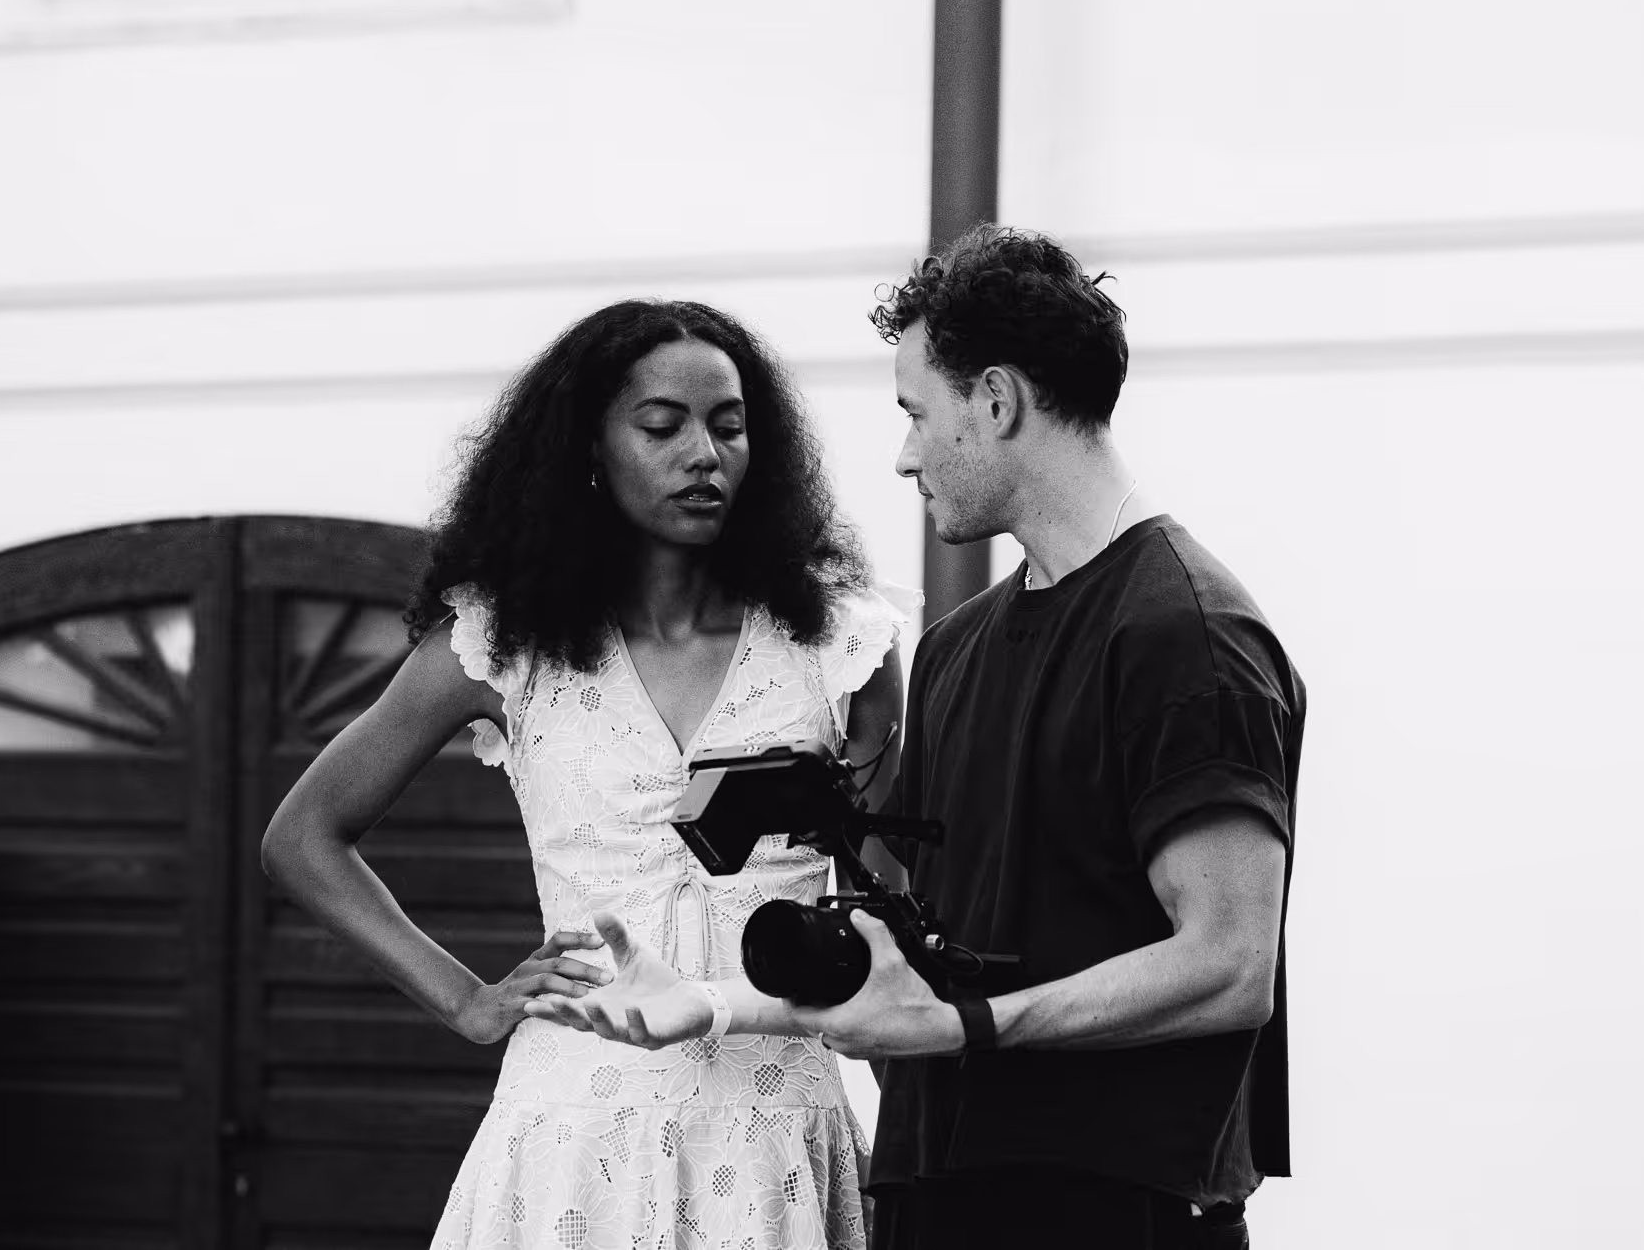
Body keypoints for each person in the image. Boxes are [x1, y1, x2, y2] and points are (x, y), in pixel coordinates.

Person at [529, 227, 1304, 1249]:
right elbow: (920, 977)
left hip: (1115, 1210)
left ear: (994, 401)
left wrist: (962, 1029)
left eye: (913, 413)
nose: (900, 455)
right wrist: (713, 1002)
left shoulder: (1182, 636)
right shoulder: (954, 650)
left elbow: (1225, 964)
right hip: (938, 1200)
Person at [260, 299, 911, 1250]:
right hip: (568, 1140)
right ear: (590, 451)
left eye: (729, 425)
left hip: (776, 1132)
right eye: (663, 425)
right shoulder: (501, 646)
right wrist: (465, 999)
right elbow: (301, 837)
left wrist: (920, 1144)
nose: (705, 452)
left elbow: (887, 910)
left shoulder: (842, 646)